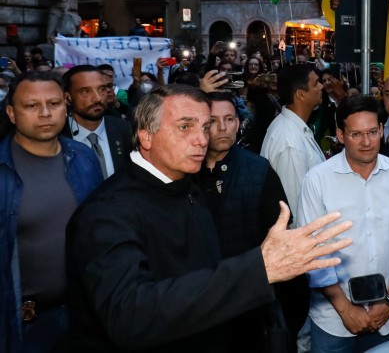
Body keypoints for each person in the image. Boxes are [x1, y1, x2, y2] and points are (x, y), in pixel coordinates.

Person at [66, 84, 353, 351]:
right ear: (146, 135)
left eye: (205, 127)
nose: (202, 139)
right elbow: (129, 317)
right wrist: (259, 269)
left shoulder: (188, 188)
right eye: (185, 127)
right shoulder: (105, 213)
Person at [298, 94, 389, 352]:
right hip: (332, 320)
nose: (366, 142)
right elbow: (313, 254)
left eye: (372, 132)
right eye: (356, 134)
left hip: (385, 316)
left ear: (381, 130)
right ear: (340, 136)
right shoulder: (317, 181)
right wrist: (346, 310)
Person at [0, 71, 103, 353]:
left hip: (83, 314)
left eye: (54, 104)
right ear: (11, 113)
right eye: (32, 105)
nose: (45, 113)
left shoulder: (83, 157)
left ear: (66, 106)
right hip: (23, 325)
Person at [194, 92, 304, 352]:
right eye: (213, 121)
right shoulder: (185, 173)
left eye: (229, 119)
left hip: (252, 301)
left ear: (238, 123)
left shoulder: (259, 169)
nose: (222, 128)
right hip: (200, 299)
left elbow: (280, 237)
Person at [260, 64, 326, 222]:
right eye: (316, 83)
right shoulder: (290, 141)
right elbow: (295, 207)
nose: (321, 86)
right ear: (301, 95)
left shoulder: (293, 128)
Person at [62, 65, 132, 178]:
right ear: (67, 98)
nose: (98, 98)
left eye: (102, 89)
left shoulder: (125, 130)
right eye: (85, 91)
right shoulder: (57, 137)